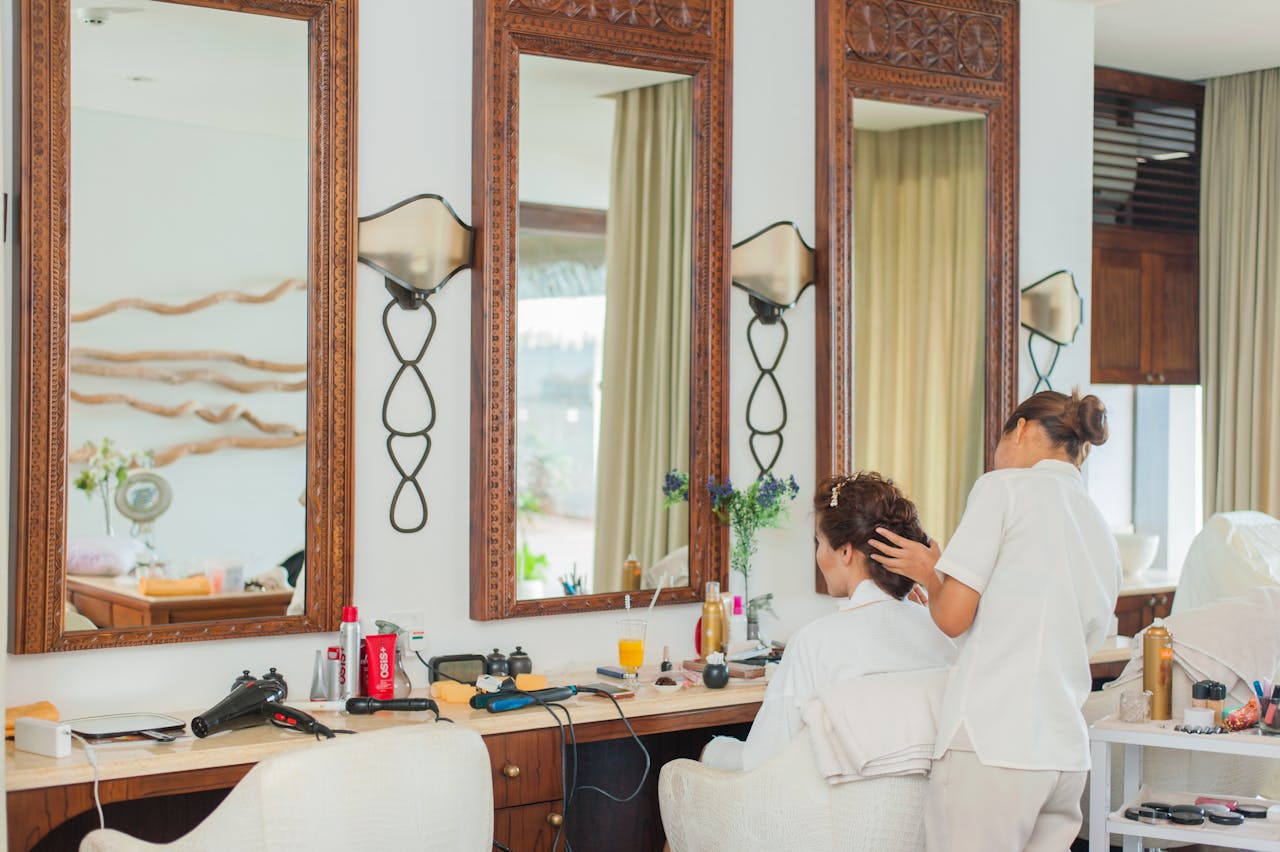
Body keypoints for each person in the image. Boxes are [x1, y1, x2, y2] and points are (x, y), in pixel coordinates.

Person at [871, 389, 1121, 851]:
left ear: (1020, 430)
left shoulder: (1002, 489)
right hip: (1064, 754)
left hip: (994, 744)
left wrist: (930, 571)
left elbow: (952, 618)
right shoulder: (1096, 522)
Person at [700, 472, 956, 771]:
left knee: (710, 750)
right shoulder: (944, 635)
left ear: (846, 551)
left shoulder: (814, 643)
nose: (818, 555)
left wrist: (713, 751)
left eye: (818, 542)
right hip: (922, 813)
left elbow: (763, 761)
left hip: (829, 813)